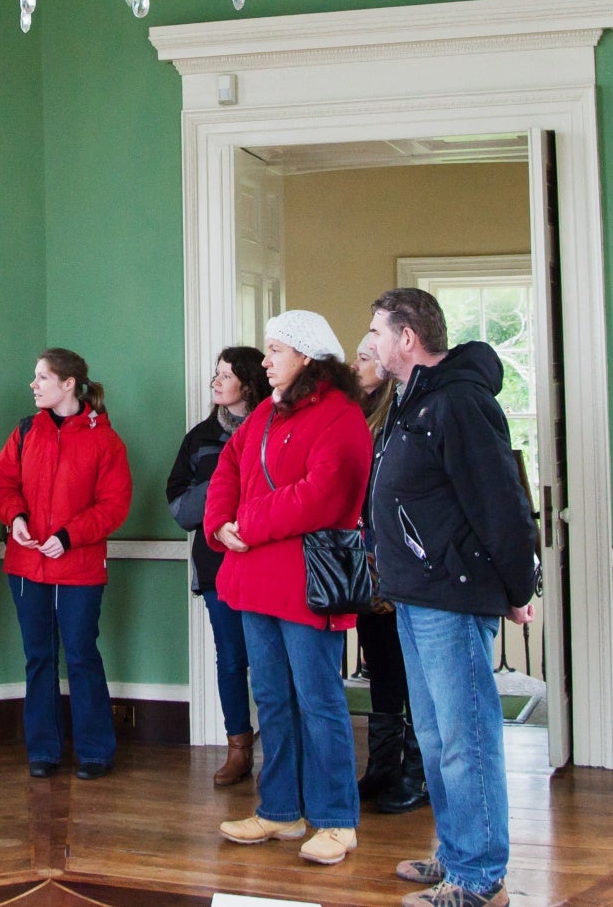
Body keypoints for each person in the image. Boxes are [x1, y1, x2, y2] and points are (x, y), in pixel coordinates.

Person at [366, 288, 540, 907]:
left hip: (452, 598)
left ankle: (479, 877)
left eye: (378, 332)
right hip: (415, 595)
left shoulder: (459, 403)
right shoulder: (410, 403)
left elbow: (500, 503)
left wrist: (520, 587)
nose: (372, 344)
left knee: (466, 739)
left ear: (408, 338)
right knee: (439, 739)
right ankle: (456, 852)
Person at [206, 311, 374, 868]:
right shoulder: (263, 415)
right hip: (255, 582)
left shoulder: (341, 417)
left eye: (276, 349)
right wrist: (220, 523)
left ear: (306, 357)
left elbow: (324, 495)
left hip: (306, 586)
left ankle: (336, 820)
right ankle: (279, 809)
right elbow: (227, 468)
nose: (267, 359)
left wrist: (246, 524)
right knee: (273, 700)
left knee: (319, 702)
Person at [0, 348, 133, 779]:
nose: (33, 385)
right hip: (26, 567)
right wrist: (15, 519)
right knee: (38, 657)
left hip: (81, 569)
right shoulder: (24, 432)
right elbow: (3, 482)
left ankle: (95, 751)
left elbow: (114, 505)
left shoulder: (105, 440)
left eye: (42, 378)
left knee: (81, 655)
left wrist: (69, 537)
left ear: (68, 384)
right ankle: (43, 751)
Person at [165, 345, 272, 788]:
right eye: (216, 374)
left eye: (226, 375)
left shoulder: (275, 427)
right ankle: (238, 749)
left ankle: (283, 755)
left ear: (248, 384)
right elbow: (178, 506)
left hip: (268, 565)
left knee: (270, 661)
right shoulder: (200, 437)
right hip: (215, 567)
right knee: (231, 659)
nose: (216, 382)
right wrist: (224, 482)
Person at [352, 333, 426, 816]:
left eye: (365, 356)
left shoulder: (405, 414)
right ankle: (381, 766)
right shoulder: (353, 416)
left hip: (404, 563)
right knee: (380, 664)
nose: (358, 364)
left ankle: (417, 774)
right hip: (365, 564)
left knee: (414, 671)